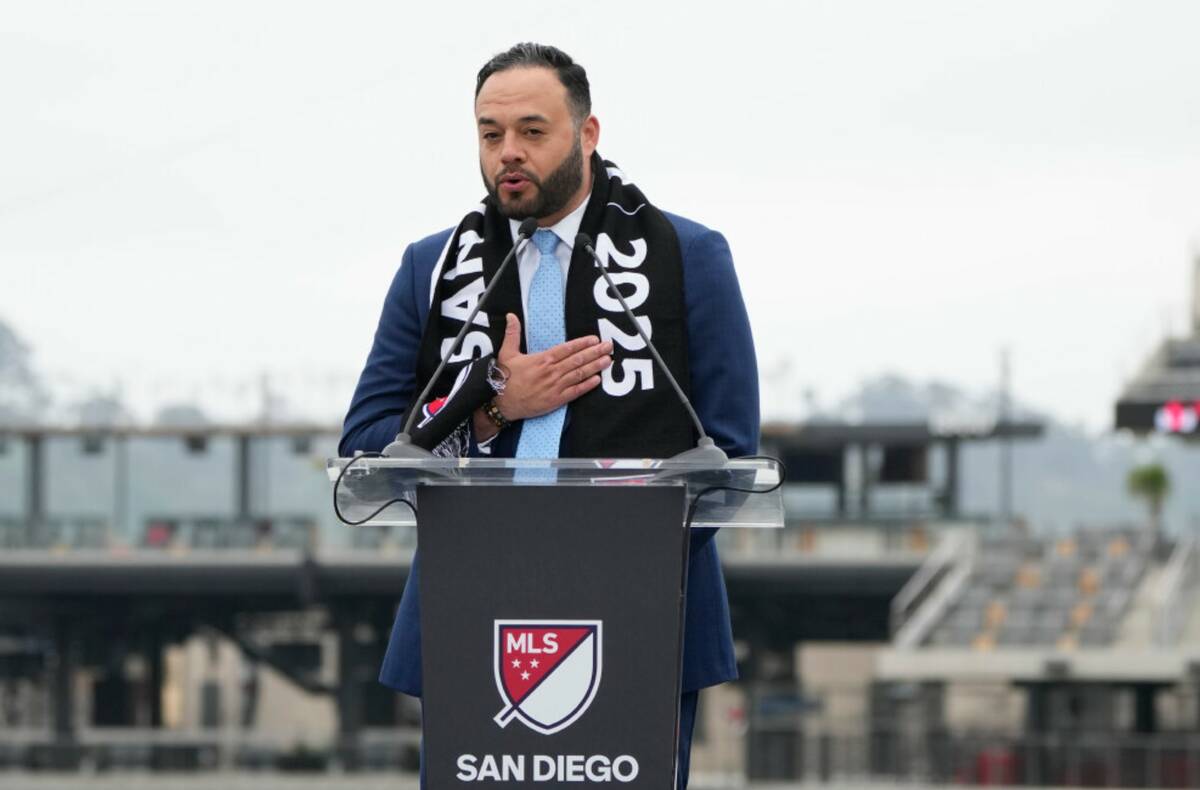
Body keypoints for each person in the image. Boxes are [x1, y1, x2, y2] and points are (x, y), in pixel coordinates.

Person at [339, 42, 758, 788]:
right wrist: (494, 405)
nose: (509, 154)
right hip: (473, 616)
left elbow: (727, 453)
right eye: (490, 133)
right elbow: (367, 446)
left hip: (643, 620)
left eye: (533, 132)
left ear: (587, 134)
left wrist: (605, 571)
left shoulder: (688, 258)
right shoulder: (430, 269)